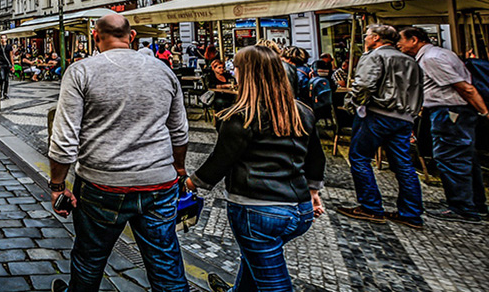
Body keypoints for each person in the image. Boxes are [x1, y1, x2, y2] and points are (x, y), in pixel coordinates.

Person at [49, 14, 189, 292]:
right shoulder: (163, 71)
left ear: (95, 36)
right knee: (165, 262)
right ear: (132, 35)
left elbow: (64, 140)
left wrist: (57, 185)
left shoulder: (81, 71)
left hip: (102, 183)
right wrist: (180, 168)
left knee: (90, 259)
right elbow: (179, 132)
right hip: (159, 184)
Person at [187, 46, 326, 292]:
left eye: (236, 68)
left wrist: (189, 184)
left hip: (258, 211)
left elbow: (220, 161)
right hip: (300, 209)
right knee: (257, 258)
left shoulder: (241, 116)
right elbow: (316, 158)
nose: (233, 73)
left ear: (246, 74)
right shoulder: (302, 111)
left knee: (273, 283)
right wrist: (314, 193)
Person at [336, 24, 425, 228]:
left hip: (377, 113)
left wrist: (352, 104)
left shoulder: (374, 56)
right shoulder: (411, 60)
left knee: (359, 157)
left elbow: (364, 85)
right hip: (404, 117)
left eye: (367, 36)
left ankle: (370, 207)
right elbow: (419, 89)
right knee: (403, 164)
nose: (365, 39)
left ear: (376, 38)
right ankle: (411, 213)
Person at [399, 26, 489, 223]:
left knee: (450, 157)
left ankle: (463, 208)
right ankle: (475, 203)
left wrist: (484, 111)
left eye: (402, 40)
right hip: (453, 111)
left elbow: (465, 87)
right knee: (465, 157)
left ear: (414, 40)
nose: (399, 44)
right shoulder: (439, 53)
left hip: (450, 113)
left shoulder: (431, 58)